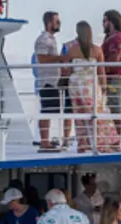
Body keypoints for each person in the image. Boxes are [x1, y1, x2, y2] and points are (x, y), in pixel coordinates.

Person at [63, 20, 104, 152]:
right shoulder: (97, 50)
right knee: (94, 115)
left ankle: (83, 144)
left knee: (79, 115)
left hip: (76, 85)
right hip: (90, 85)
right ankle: (96, 143)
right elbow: (101, 73)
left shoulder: (72, 50)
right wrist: (104, 88)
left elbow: (67, 70)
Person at [33, 11, 67, 151]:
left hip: (52, 81)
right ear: (49, 23)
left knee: (51, 109)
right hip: (47, 80)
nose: (59, 24)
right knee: (47, 110)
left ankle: (45, 140)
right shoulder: (43, 39)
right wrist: (60, 59)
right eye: (56, 21)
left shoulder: (50, 39)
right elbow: (41, 59)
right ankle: (44, 141)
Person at [101, 9, 121, 120]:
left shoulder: (116, 38)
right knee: (111, 107)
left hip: (114, 77)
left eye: (104, 21)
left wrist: (101, 71)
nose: (102, 24)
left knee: (114, 108)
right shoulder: (109, 38)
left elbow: (114, 58)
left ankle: (117, 135)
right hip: (111, 77)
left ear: (111, 21)